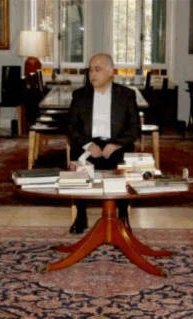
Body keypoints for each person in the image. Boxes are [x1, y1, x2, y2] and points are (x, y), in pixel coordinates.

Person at [67, 53, 141, 234]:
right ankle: (81, 215)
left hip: (115, 145)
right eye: (90, 70)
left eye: (97, 69)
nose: (92, 74)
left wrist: (117, 144)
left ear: (110, 72)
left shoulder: (126, 95)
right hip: (88, 145)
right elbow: (70, 127)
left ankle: (122, 214)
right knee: (79, 161)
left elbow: (134, 128)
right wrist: (88, 145)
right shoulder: (80, 95)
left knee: (122, 163)